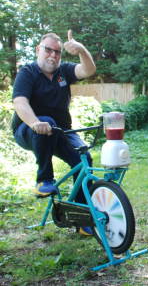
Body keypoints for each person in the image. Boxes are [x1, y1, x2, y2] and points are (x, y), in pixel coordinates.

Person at [11, 30, 96, 236]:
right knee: (46, 122)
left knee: (84, 157)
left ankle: (82, 218)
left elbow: (89, 69)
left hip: (61, 130)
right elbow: (19, 102)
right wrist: (35, 122)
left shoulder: (64, 71)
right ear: (38, 50)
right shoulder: (27, 72)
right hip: (28, 129)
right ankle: (44, 181)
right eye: (48, 50)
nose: (53, 55)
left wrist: (82, 49)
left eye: (57, 52)